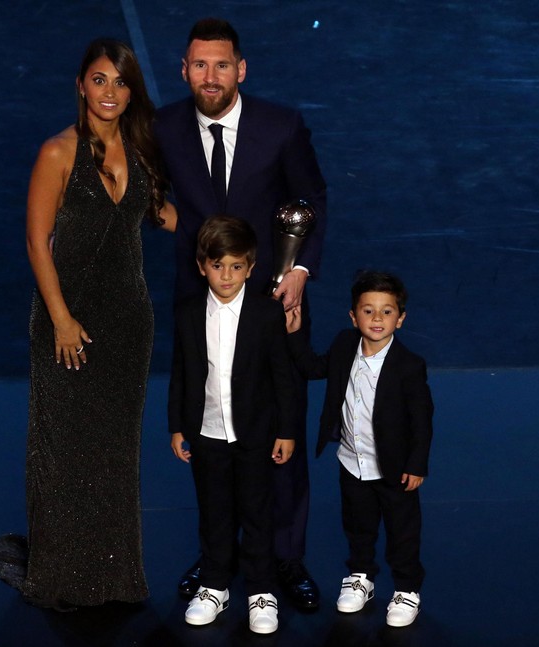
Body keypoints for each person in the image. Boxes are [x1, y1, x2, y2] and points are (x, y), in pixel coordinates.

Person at [0, 38, 175, 610]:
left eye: (120, 82)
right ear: (80, 85)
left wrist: (229, 222)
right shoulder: (57, 153)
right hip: (68, 321)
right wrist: (62, 319)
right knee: (66, 448)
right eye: (99, 80)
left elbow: (164, 216)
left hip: (129, 323)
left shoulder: (141, 152)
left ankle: (113, 575)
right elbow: (36, 242)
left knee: (115, 451)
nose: (110, 93)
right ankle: (64, 575)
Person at [155, 16, 327, 610]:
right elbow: (140, 191)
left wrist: (299, 274)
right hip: (199, 302)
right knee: (213, 437)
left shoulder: (281, 126)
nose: (210, 76)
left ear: (241, 70)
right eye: (199, 65)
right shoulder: (165, 126)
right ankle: (218, 561)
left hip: (273, 303)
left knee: (279, 428)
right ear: (184, 70)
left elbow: (311, 201)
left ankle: (285, 557)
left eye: (221, 64)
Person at [168, 216, 298, 634]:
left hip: (256, 434)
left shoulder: (265, 313)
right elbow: (181, 374)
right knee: (214, 513)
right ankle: (214, 586)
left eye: (236, 266)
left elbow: (283, 375)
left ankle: (262, 592)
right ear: (201, 264)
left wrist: (287, 430)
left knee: (257, 513)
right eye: (218, 265)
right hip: (206, 434)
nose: (227, 275)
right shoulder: (188, 313)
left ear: (251, 267)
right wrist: (177, 426)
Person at [285, 271, 434, 627]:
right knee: (358, 525)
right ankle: (360, 577)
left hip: (395, 468)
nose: (377, 319)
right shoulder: (342, 345)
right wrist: (293, 333)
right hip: (352, 462)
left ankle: (406, 589)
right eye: (368, 311)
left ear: (401, 318)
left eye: (386, 312)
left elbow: (422, 420)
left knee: (402, 531)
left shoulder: (409, 366)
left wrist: (417, 464)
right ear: (353, 316)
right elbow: (310, 367)